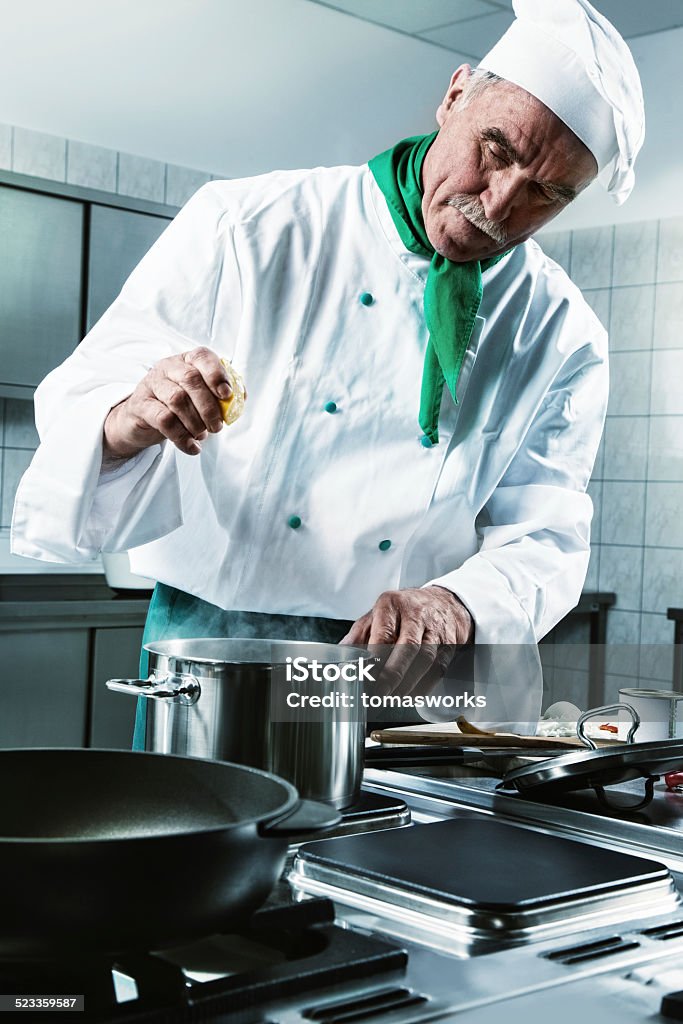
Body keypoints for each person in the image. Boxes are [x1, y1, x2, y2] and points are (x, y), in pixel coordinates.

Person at [11, 0, 644, 728]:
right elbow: (90, 402)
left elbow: (545, 532)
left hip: (410, 669)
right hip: (220, 644)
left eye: (546, 193)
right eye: (495, 152)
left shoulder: (561, 330)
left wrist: (458, 603)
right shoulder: (246, 225)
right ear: (453, 96)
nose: (498, 204)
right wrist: (134, 415)